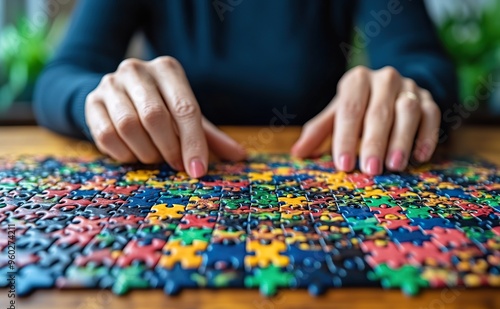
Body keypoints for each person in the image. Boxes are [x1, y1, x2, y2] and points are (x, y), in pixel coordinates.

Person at [34, 0, 457, 178]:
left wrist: (410, 92)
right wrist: (99, 102)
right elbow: (62, 76)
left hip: (330, 177)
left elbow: (424, 63)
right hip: (171, 176)